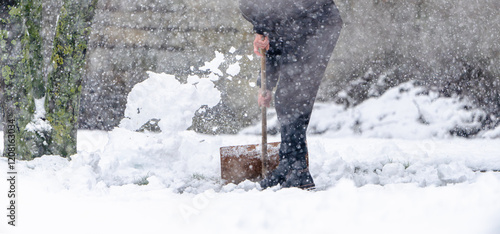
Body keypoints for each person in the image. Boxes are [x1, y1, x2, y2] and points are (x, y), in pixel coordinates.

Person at [239, 0, 343, 189]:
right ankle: (288, 164)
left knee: (293, 97)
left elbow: (275, 21)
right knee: (288, 98)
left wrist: (261, 30)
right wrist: (266, 85)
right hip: (299, 22)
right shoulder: (268, 13)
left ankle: (298, 170)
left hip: (315, 23)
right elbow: (276, 40)